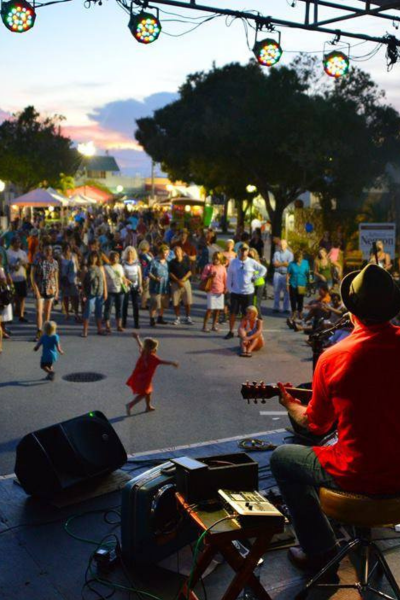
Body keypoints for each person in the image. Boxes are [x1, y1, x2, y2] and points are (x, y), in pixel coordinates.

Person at [270, 264, 400, 573]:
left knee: (282, 458)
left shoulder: (334, 357)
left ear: (352, 313)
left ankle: (320, 550)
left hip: (359, 474)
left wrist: (290, 405)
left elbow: (315, 425)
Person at [125, 333, 179, 414]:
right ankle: (130, 405)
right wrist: (172, 363)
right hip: (145, 380)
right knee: (143, 394)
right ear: (153, 348)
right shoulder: (153, 358)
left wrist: (137, 338)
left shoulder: (144, 352)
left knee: (148, 392)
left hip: (139, 377)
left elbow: (140, 345)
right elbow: (162, 362)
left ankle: (148, 406)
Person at [225, 244, 267, 339]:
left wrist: (255, 277)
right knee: (233, 312)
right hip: (235, 292)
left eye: (245, 250)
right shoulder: (233, 262)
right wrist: (229, 288)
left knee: (246, 313)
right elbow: (229, 275)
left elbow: (263, 269)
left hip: (248, 292)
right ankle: (231, 331)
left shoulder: (252, 262)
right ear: (239, 251)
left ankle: (243, 331)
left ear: (248, 251)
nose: (243, 252)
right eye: (242, 250)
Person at [31, 244, 59, 341]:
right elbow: (32, 276)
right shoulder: (38, 261)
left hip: (51, 288)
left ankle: (46, 331)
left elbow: (55, 277)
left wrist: (57, 290)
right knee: (39, 311)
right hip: (40, 288)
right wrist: (36, 289)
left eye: (50, 250)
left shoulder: (54, 262)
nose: (48, 252)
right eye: (46, 250)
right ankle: (39, 331)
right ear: (43, 250)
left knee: (47, 311)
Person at [81, 251, 108, 337]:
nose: (94, 259)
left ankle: (99, 329)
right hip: (90, 293)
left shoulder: (100, 267)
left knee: (99, 312)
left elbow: (104, 280)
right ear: (90, 258)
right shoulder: (86, 268)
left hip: (99, 292)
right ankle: (85, 330)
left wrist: (105, 292)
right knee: (88, 312)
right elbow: (83, 282)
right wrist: (84, 293)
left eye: (96, 257)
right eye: (92, 257)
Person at [201, 251, 227, 332]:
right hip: (211, 290)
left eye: (218, 259)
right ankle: (204, 326)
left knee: (217, 309)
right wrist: (209, 276)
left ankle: (214, 325)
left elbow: (225, 279)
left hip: (220, 290)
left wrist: (225, 288)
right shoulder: (209, 266)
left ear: (220, 259)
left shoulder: (223, 268)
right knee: (210, 309)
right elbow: (202, 277)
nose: (216, 260)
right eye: (214, 258)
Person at [169, 245, 194, 325]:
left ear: (182, 252)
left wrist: (183, 279)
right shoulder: (171, 262)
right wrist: (177, 280)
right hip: (175, 283)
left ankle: (188, 317)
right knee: (176, 302)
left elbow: (190, 271)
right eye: (175, 251)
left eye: (178, 251)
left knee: (187, 301)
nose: (177, 253)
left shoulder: (186, 260)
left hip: (185, 282)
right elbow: (170, 273)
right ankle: (177, 318)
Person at [7, 236, 29, 322]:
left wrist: (22, 263)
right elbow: (6, 265)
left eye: (19, 242)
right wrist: (14, 266)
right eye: (16, 242)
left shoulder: (23, 253)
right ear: (12, 243)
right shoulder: (8, 252)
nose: (18, 244)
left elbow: (27, 266)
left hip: (22, 277)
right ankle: (10, 315)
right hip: (12, 278)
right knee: (12, 297)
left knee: (22, 297)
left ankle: (21, 315)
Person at [148, 244, 170, 327]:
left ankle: (160, 317)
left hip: (165, 285)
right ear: (160, 253)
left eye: (167, 253)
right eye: (164, 253)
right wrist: (154, 278)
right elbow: (148, 272)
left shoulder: (168, 262)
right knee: (155, 302)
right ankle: (152, 319)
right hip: (155, 285)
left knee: (163, 302)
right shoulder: (154, 261)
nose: (166, 255)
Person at [104, 251, 125, 333]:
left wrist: (126, 282)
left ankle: (119, 325)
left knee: (119, 308)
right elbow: (104, 280)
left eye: (116, 257)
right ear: (110, 259)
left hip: (120, 290)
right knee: (108, 308)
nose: (115, 259)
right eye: (113, 257)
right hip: (110, 290)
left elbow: (122, 276)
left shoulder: (120, 266)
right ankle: (107, 325)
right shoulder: (106, 267)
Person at [59, 242, 80, 322]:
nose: (68, 249)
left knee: (75, 297)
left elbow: (77, 267)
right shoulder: (61, 257)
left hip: (73, 279)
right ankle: (67, 313)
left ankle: (76, 313)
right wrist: (59, 281)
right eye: (66, 248)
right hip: (65, 279)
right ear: (64, 248)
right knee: (66, 297)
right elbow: (59, 269)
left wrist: (79, 277)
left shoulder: (74, 256)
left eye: (69, 247)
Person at [122, 246, 142, 330]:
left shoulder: (137, 263)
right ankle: (124, 322)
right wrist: (126, 281)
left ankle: (136, 323)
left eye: (131, 252)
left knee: (135, 305)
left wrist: (141, 286)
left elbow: (139, 275)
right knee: (125, 304)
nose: (130, 254)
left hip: (135, 286)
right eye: (128, 253)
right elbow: (122, 275)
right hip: (126, 286)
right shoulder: (123, 263)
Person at [287, 250, 310, 323]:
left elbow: (308, 273)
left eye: (300, 258)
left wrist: (310, 282)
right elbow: (288, 274)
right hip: (293, 283)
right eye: (297, 258)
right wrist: (287, 284)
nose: (298, 260)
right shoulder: (291, 264)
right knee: (293, 299)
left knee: (300, 299)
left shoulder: (305, 263)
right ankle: (294, 312)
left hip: (302, 283)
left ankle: (300, 312)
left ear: (302, 257)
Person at [272, 240, 293, 313]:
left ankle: (286, 308)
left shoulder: (290, 254)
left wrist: (280, 263)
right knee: (276, 290)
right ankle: (276, 307)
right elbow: (275, 264)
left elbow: (289, 265)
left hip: (286, 274)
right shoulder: (276, 253)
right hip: (277, 273)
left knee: (286, 291)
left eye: (283, 244)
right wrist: (284, 263)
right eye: (280, 244)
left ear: (286, 245)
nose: (281, 246)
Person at [248, 248, 266, 317]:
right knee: (252, 301)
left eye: (251, 253)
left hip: (259, 283)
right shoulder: (249, 261)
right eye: (249, 253)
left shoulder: (257, 262)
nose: (250, 254)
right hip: (252, 284)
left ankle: (259, 317)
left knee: (257, 302)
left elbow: (262, 271)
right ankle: (253, 315)